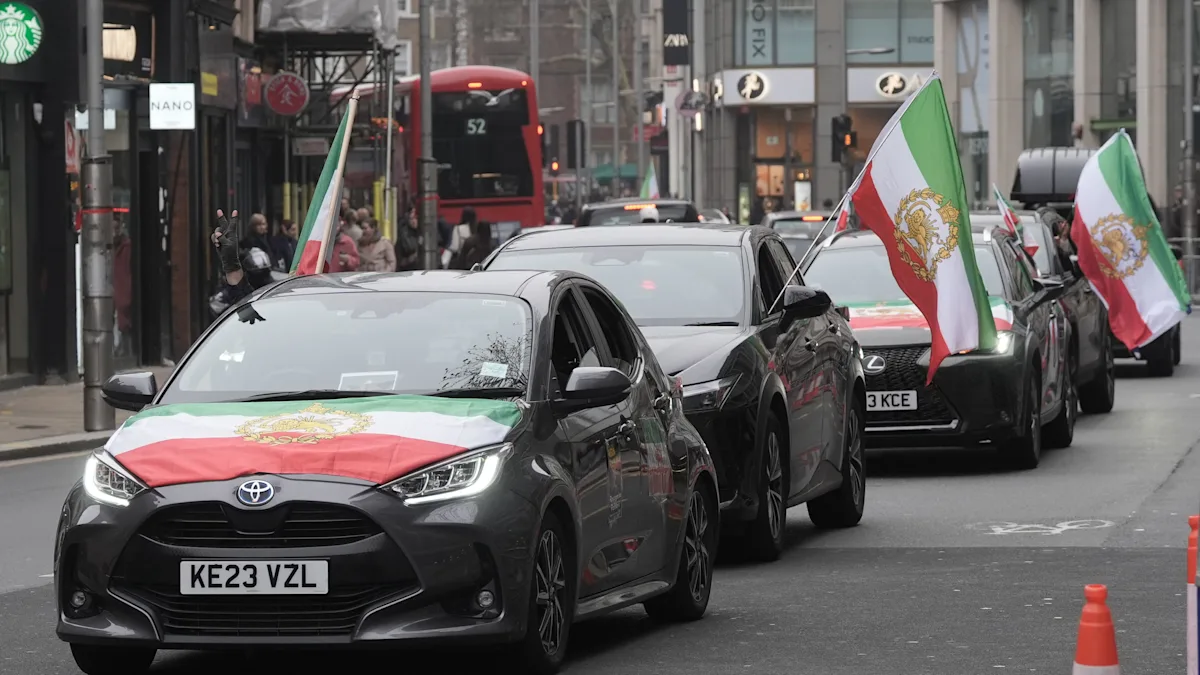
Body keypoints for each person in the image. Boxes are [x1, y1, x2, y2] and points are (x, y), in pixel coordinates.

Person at [395, 206, 424, 271]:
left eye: (416, 218)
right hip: (408, 268)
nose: (414, 221)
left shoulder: (423, 232)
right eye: (411, 219)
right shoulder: (404, 233)